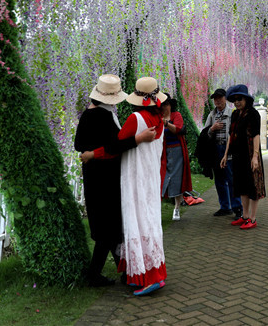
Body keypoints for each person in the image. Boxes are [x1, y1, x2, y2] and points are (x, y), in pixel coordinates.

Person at [75, 74, 144, 287]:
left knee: (110, 226)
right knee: (109, 227)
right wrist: (138, 140)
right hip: (107, 177)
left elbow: (79, 145)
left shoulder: (87, 115)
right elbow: (115, 146)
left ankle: (122, 272)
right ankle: (95, 274)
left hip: (94, 175)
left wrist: (91, 153)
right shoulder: (104, 117)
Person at [113, 77, 167, 296]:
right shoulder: (161, 119)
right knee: (149, 220)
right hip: (151, 176)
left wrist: (91, 154)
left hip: (135, 176)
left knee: (137, 219)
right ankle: (142, 272)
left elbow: (116, 144)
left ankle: (149, 276)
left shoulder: (136, 118)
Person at [221, 84, 265, 229]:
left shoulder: (253, 114)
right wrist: (226, 154)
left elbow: (256, 135)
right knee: (241, 185)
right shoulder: (235, 114)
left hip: (250, 153)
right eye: (234, 100)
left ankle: (252, 218)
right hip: (238, 155)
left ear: (246, 99)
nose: (237, 102)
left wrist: (255, 156)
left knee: (252, 186)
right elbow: (231, 135)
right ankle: (244, 216)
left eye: (240, 99)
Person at [203, 88, 241, 218]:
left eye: (220, 97)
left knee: (231, 179)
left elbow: (236, 133)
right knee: (219, 179)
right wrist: (212, 129)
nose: (217, 100)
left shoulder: (232, 113)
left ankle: (237, 208)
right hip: (215, 150)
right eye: (215, 98)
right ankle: (225, 207)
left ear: (225, 98)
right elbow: (205, 133)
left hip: (228, 149)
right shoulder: (212, 115)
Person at [160, 95, 193, 221]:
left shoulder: (176, 115)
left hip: (177, 150)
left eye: (166, 104)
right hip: (163, 151)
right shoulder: (158, 117)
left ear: (170, 104)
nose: (164, 107)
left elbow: (178, 129)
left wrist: (166, 124)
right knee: (162, 177)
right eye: (162, 104)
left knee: (177, 178)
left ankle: (177, 208)